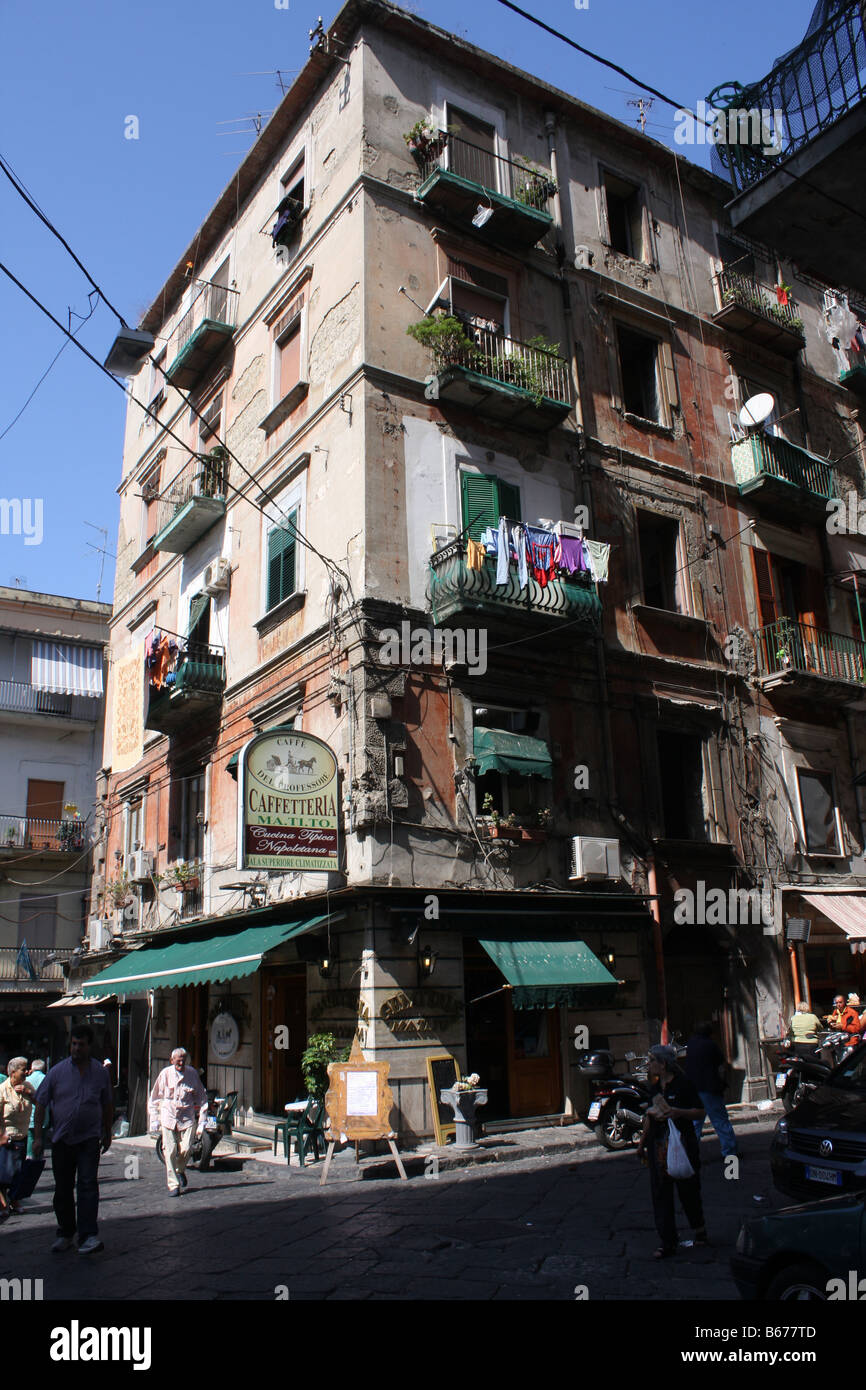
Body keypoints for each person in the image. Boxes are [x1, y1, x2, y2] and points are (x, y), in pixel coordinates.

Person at [32, 1025, 113, 1254]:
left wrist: (107, 1132)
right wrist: (38, 1136)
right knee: (63, 1188)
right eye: (74, 1044)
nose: (77, 1048)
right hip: (62, 1139)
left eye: (81, 1044)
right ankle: (66, 1232)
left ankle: (88, 1235)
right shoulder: (57, 1072)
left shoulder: (100, 1073)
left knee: (88, 1185)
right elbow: (41, 1104)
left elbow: (107, 1104)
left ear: (90, 1046)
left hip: (89, 1138)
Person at [637, 1043, 707, 1259]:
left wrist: (677, 1112)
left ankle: (699, 1231)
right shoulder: (655, 1088)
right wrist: (641, 1143)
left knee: (688, 1190)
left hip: (682, 1143)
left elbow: (700, 1112)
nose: (649, 1065)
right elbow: (649, 1115)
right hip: (658, 1145)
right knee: (660, 1193)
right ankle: (668, 1242)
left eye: (652, 1061)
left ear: (663, 1064)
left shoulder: (684, 1085)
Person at [149, 1047, 208, 1197]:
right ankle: (173, 1185)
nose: (181, 1062)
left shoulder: (192, 1074)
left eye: (183, 1059)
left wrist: (202, 1121)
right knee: (169, 1151)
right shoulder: (165, 1074)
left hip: (186, 1117)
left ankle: (180, 1170)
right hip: (168, 1115)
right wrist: (154, 1118)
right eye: (178, 1059)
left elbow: (202, 1098)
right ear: (172, 1060)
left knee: (187, 1148)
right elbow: (154, 1098)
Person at [685, 1022, 738, 1159]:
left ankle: (691, 1152)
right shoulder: (711, 1045)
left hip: (694, 1088)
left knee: (695, 1122)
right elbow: (721, 1066)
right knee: (720, 1120)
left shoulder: (691, 1044)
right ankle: (730, 1152)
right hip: (710, 1088)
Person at [0, 1057, 36, 1216]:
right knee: (4, 1174)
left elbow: (41, 1102)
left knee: (19, 1172)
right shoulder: (2, 1089)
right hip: (6, 1137)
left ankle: (13, 1200)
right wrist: (1, 1134)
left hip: (22, 1135)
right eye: (23, 1069)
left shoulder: (27, 1086)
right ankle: (3, 1203)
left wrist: (29, 1093)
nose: (27, 1072)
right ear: (13, 1073)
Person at [26, 1058, 47, 1158]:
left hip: (29, 1114)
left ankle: (29, 1156)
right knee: (41, 1137)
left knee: (30, 1136)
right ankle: (39, 1157)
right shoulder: (46, 1078)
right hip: (43, 1116)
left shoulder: (26, 1080)